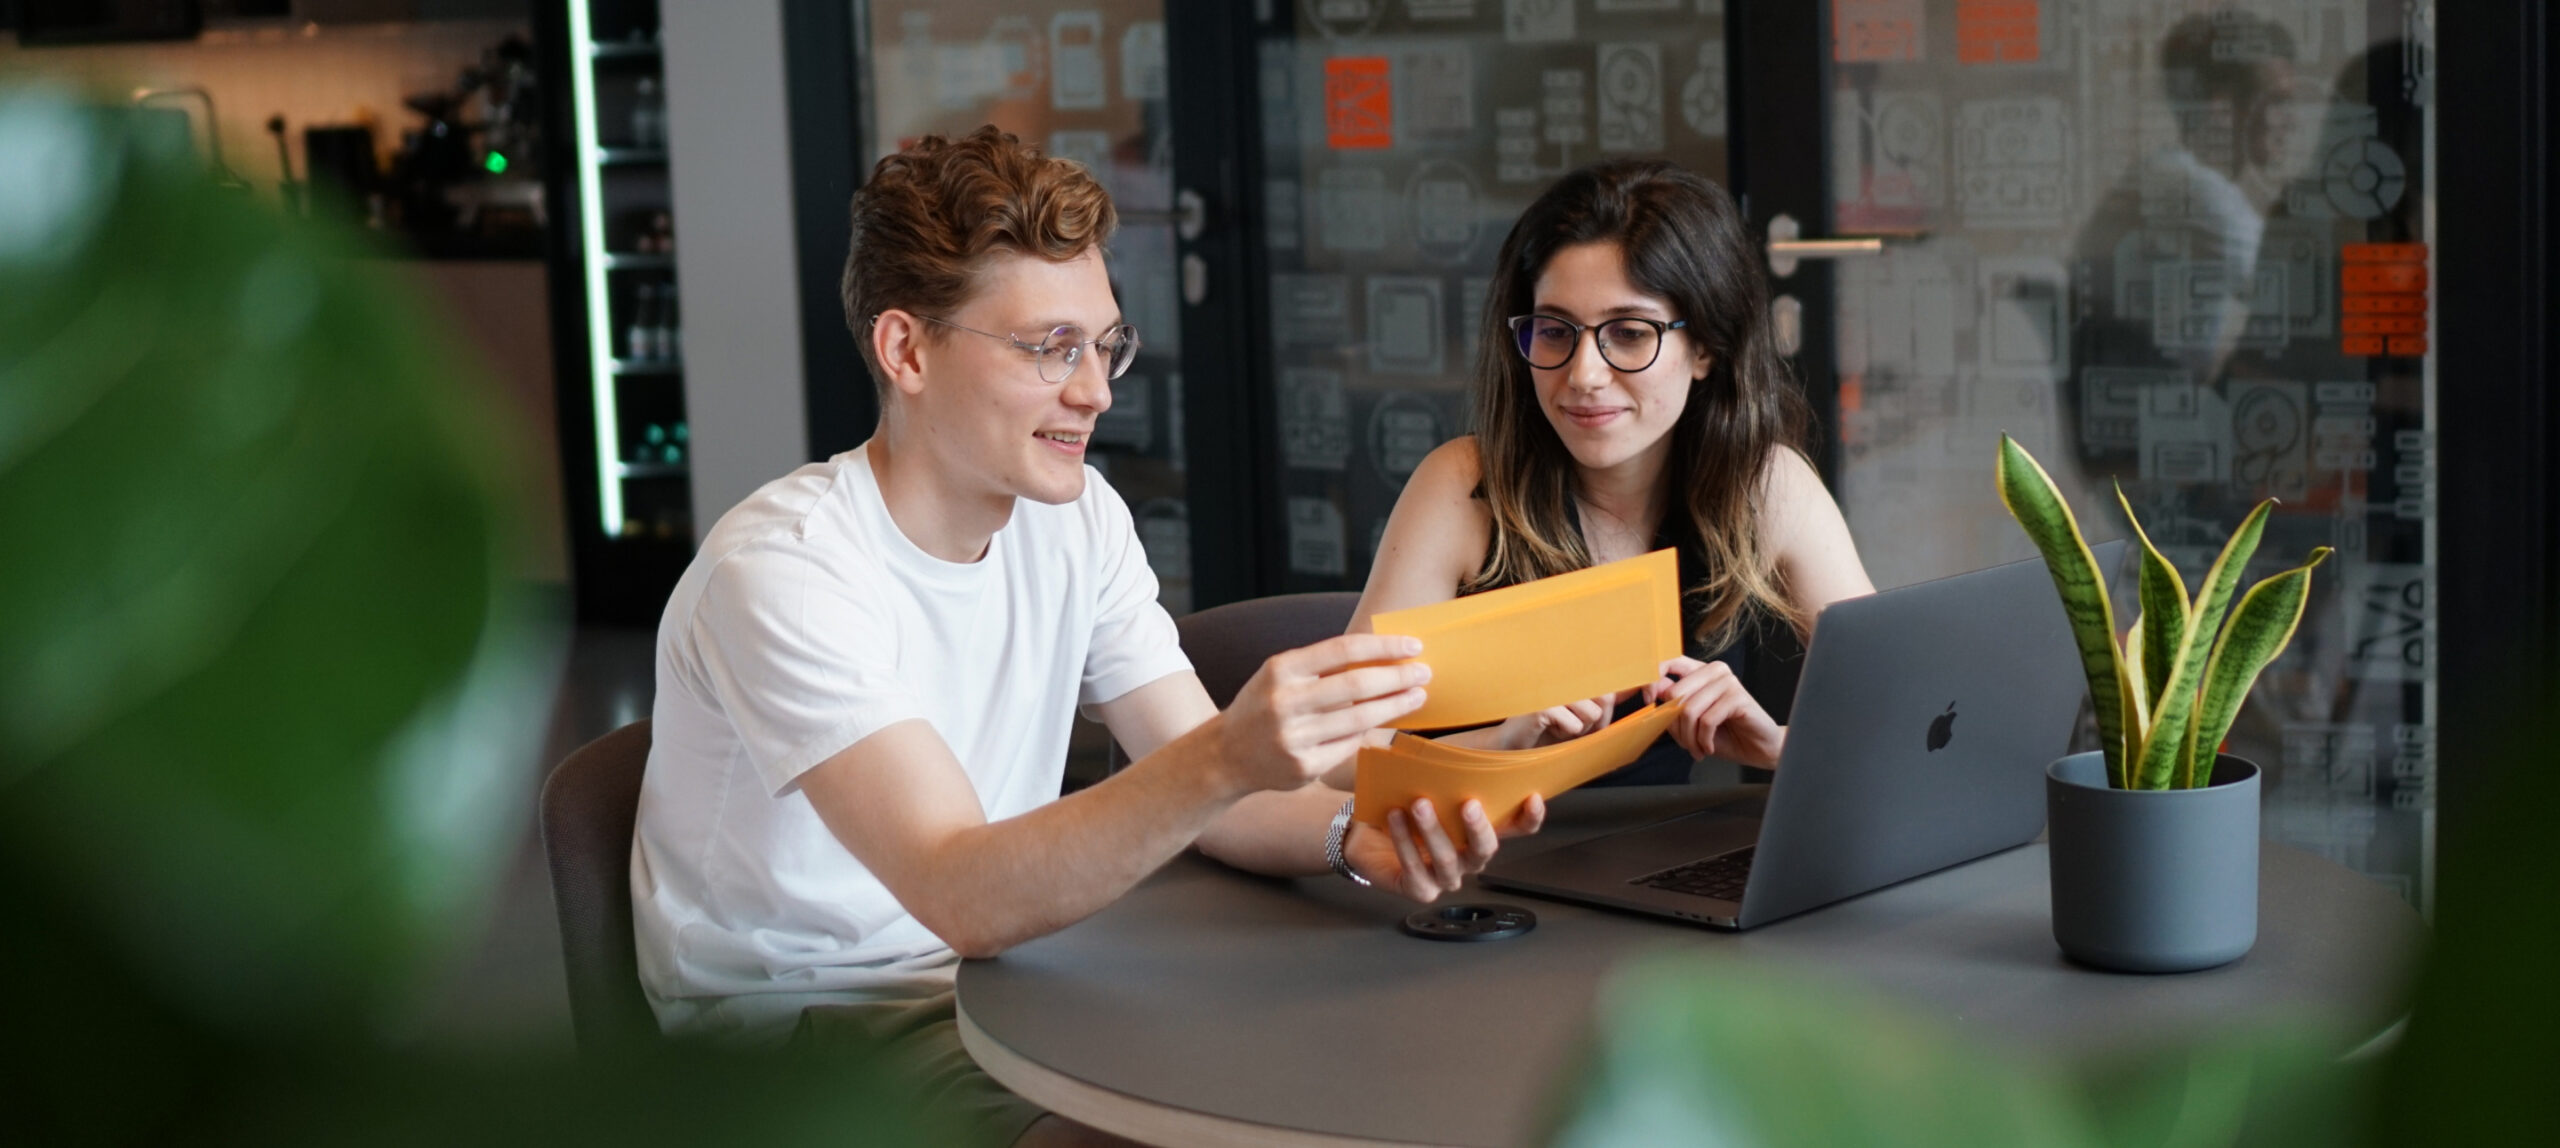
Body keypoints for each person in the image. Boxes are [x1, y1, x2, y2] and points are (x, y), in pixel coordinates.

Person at [630, 127, 1542, 1146]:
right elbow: (961, 889)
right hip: (815, 1030)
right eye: (1048, 348)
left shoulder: (1075, 517)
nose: (1096, 391)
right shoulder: (784, 571)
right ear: (906, 349)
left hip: (1009, 977)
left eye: (1104, 344)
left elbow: (1219, 798)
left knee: (1336, 1065)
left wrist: (1349, 833)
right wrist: (1226, 755)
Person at [1354, 159, 1875, 773]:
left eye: (1628, 333)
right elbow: (1338, 757)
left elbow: (1902, 715)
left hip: (1664, 858)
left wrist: (1778, 749)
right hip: (1481, 859)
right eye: (1555, 331)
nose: (1584, 376)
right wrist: (1504, 745)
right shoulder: (1465, 487)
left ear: (1705, 347)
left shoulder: (1765, 485)